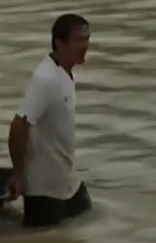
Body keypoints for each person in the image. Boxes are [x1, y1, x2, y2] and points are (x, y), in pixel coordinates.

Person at [6, 13, 93, 227]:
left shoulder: (64, 73)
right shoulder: (45, 78)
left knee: (85, 221)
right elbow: (19, 126)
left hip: (65, 181)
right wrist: (18, 174)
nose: (86, 45)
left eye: (87, 39)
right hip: (44, 188)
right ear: (60, 42)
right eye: (79, 40)